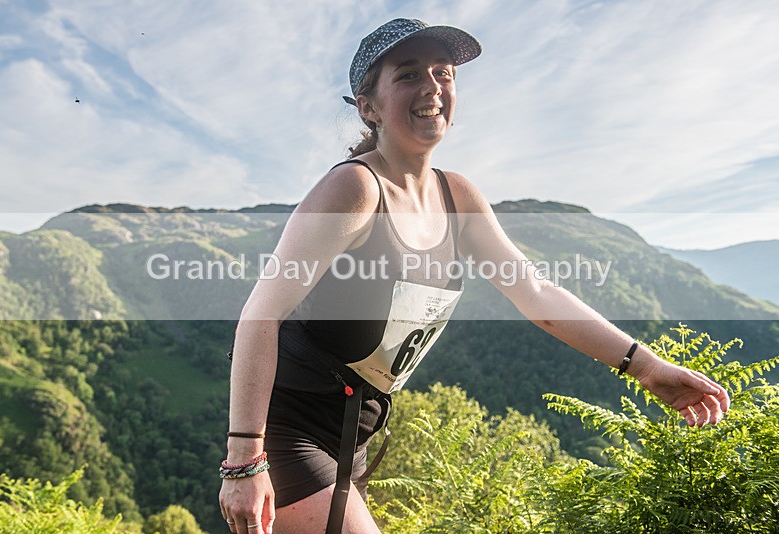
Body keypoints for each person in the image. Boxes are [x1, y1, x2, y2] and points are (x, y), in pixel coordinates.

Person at [218, 18, 730, 534]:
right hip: (288, 431)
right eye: (409, 74)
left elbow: (536, 293)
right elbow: (261, 313)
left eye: (444, 73)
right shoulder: (355, 188)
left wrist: (649, 368)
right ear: (368, 107)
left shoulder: (457, 196)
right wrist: (244, 459)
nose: (432, 87)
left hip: (356, 433)